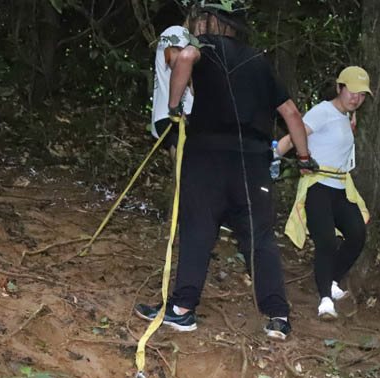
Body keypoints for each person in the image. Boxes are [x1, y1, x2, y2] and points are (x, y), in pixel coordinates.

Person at [134, 2, 317, 340]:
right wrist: (304, 157)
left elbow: (184, 59)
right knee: (259, 237)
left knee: (198, 227)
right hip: (253, 161)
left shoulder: (203, 49)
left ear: (209, 21)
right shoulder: (259, 61)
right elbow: (291, 112)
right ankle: (278, 316)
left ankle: (182, 310)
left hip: (206, 155)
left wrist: (175, 107)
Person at [277, 66, 372, 320]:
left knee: (357, 234)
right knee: (326, 242)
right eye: (352, 91)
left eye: (362, 94)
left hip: (340, 187)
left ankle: (329, 279)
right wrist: (272, 157)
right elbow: (294, 134)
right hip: (318, 185)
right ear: (340, 88)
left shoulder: (347, 116)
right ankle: (325, 300)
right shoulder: (322, 111)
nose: (356, 98)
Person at [150, 16, 196, 151]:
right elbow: (179, 62)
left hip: (177, 114)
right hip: (176, 114)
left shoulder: (185, 39)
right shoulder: (177, 33)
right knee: (183, 166)